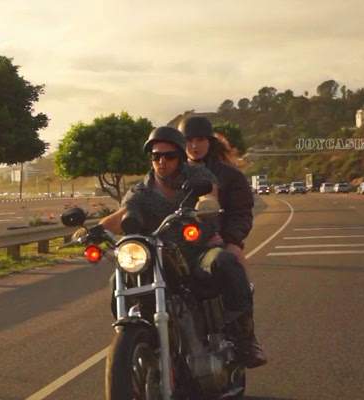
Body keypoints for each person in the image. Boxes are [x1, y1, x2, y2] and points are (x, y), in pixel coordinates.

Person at [100, 126, 267, 368]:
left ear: (179, 156)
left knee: (226, 262)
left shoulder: (198, 176)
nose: (162, 161)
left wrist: (206, 203)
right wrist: (92, 231)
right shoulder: (142, 190)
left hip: (198, 252)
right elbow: (122, 214)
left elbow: (209, 194)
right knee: (118, 279)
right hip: (158, 257)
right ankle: (134, 338)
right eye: (156, 156)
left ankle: (245, 338)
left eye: (169, 156)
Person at [178, 115, 266, 368]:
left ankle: (246, 338)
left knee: (231, 260)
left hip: (218, 239)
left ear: (210, 141)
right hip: (179, 244)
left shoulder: (229, 175)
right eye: (189, 140)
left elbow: (241, 212)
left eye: (199, 140)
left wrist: (231, 240)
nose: (194, 146)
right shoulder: (173, 172)